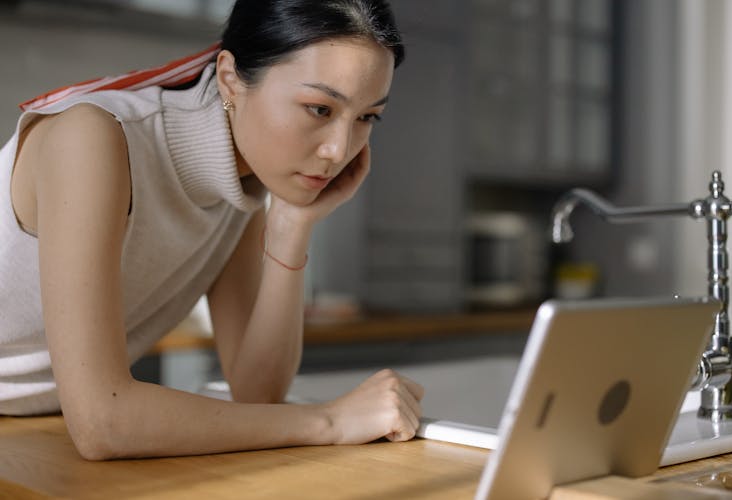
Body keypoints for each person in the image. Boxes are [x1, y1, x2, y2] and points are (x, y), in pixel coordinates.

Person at [0, 0, 425, 460]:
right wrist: (331, 421)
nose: (339, 150)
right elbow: (104, 422)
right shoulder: (92, 139)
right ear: (229, 79)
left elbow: (256, 390)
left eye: (367, 117)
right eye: (320, 109)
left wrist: (291, 223)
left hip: (31, 432)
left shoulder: (244, 180)